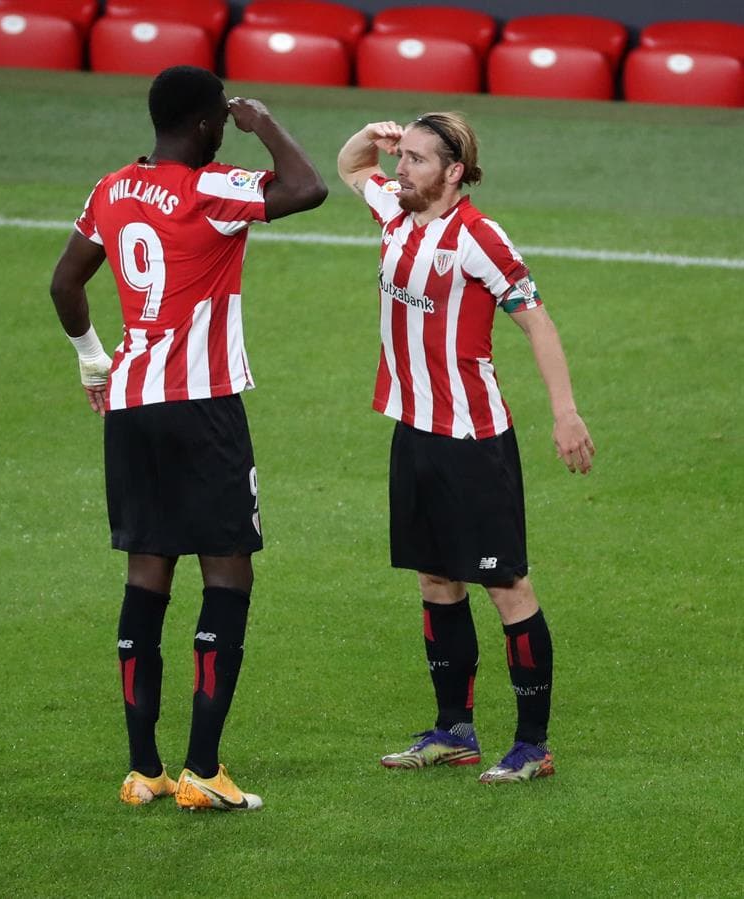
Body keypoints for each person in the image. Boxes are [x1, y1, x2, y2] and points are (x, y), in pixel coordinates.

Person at [50, 66, 327, 811]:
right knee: (227, 576)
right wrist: (263, 122)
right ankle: (203, 769)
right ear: (208, 124)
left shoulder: (110, 188)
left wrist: (91, 360)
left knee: (147, 575)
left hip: (133, 403)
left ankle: (143, 769)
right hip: (202, 408)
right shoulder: (213, 186)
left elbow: (64, 282)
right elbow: (306, 188)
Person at [337, 113, 594, 784]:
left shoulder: (479, 237)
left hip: (472, 440)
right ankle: (453, 729)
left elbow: (535, 319)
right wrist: (374, 135)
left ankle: (532, 745)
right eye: (404, 158)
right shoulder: (395, 213)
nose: (402, 169)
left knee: (504, 585)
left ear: (454, 172)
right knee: (434, 577)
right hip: (412, 430)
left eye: (418, 160)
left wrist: (564, 413)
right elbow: (348, 167)